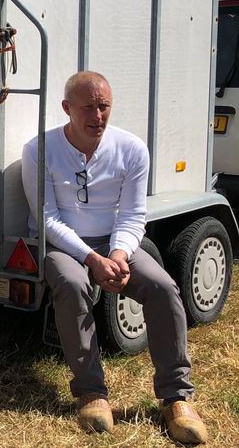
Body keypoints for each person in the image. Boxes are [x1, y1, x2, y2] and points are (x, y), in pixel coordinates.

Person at [22, 71, 208, 445]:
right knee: (72, 284)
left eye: (104, 106)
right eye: (88, 107)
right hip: (63, 245)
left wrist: (119, 255)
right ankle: (91, 392)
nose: (98, 116)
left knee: (163, 287)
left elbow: (133, 214)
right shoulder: (39, 149)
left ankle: (176, 397)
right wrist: (92, 258)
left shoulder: (131, 148)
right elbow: (47, 218)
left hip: (115, 243)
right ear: (66, 108)